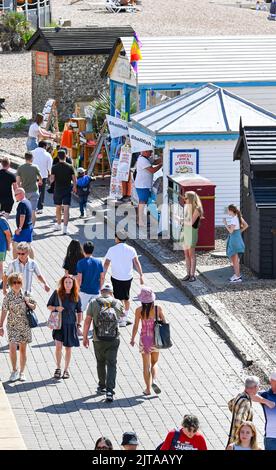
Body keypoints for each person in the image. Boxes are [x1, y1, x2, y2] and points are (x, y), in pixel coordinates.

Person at [83, 282, 124, 402]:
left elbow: (87, 321)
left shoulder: (93, 303)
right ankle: (110, 391)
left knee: (100, 362)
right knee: (111, 364)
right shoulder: (117, 302)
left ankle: (102, 386)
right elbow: (121, 316)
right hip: (114, 338)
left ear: (101, 292)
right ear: (111, 292)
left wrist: (85, 337)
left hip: (98, 338)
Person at [0, 273, 36, 382]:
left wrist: (27, 302)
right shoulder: (8, 297)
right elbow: (4, 311)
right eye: (14, 282)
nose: (16, 284)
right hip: (12, 326)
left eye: (19, 282)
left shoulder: (27, 294)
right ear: (11, 284)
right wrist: (0, 325)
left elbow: (34, 306)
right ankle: (14, 370)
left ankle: (22, 372)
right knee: (12, 348)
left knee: (23, 350)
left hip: (24, 326)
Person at [103, 231, 144, 327]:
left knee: (117, 298)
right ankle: (125, 317)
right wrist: (141, 275)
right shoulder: (131, 249)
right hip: (127, 278)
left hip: (116, 277)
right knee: (126, 297)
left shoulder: (112, 249)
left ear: (117, 238)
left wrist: (103, 276)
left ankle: (120, 318)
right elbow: (136, 263)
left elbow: (106, 264)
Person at [47, 275, 82, 380]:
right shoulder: (57, 293)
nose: (67, 284)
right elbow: (48, 306)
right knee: (58, 347)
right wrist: (56, 308)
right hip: (59, 325)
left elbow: (79, 311)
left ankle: (66, 370)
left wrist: (79, 325)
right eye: (66, 282)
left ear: (73, 284)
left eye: (70, 283)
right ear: (63, 283)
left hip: (71, 325)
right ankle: (58, 368)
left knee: (68, 348)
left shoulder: (76, 296)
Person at [130, 287, 164, 396]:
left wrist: (132, 338)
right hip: (156, 338)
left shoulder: (139, 310)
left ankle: (148, 389)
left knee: (146, 366)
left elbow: (135, 325)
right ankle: (154, 380)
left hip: (145, 339)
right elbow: (164, 321)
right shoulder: (158, 309)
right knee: (155, 362)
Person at [227, 375, 275, 446]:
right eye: (258, 386)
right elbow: (239, 423)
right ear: (255, 387)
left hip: (232, 439)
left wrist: (237, 412)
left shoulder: (240, 395)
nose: (259, 388)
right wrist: (250, 431)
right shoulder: (246, 403)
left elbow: (230, 404)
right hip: (239, 443)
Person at [51, 150, 77, 235]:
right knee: (66, 209)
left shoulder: (54, 167)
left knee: (58, 208)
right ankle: (65, 229)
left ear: (58, 157)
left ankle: (58, 224)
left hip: (57, 190)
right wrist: (74, 186)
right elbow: (74, 178)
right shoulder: (70, 166)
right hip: (67, 190)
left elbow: (52, 180)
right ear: (66, 156)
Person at [135, 151, 162, 227]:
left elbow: (155, 162)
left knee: (144, 202)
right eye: (150, 152)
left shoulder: (145, 158)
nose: (151, 153)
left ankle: (140, 219)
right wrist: (162, 164)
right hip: (142, 185)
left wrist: (163, 157)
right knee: (142, 202)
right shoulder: (143, 160)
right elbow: (152, 170)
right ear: (145, 152)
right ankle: (140, 220)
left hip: (144, 185)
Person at [181, 191, 203, 282]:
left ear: (190, 198)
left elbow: (191, 223)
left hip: (191, 232)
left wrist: (180, 220)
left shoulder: (197, 209)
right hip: (185, 231)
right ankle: (188, 273)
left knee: (191, 254)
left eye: (186, 198)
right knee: (186, 254)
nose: (184, 199)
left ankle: (192, 275)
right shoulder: (187, 207)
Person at [76, 242, 104, 312]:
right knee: (96, 311)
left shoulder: (80, 262)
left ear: (83, 250)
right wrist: (100, 288)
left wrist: (77, 289)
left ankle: (79, 322)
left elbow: (79, 279)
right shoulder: (99, 262)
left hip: (84, 291)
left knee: (80, 310)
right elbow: (102, 277)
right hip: (96, 291)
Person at [223, 204, 248, 283]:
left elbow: (231, 231)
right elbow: (246, 225)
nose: (227, 212)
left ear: (231, 211)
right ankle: (237, 275)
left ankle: (237, 276)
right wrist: (239, 232)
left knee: (235, 259)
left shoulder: (234, 219)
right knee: (235, 259)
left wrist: (225, 224)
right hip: (237, 238)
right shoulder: (238, 217)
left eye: (228, 210)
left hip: (234, 239)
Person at [16, 152, 42, 227]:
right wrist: (39, 182)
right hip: (34, 191)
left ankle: (23, 227)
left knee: (24, 211)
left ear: (25, 158)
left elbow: (18, 181)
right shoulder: (35, 167)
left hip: (24, 193)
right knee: (33, 211)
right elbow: (40, 179)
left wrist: (20, 188)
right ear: (32, 158)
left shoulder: (20, 167)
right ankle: (31, 229)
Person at [12, 188, 34, 259]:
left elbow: (22, 216)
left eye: (16, 195)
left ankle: (15, 263)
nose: (15, 196)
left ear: (21, 194)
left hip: (23, 229)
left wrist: (19, 228)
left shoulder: (22, 204)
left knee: (15, 244)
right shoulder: (27, 201)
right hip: (29, 227)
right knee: (28, 246)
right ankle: (32, 262)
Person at [32, 141, 53, 214]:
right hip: (43, 176)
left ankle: (32, 206)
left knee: (31, 190)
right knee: (41, 192)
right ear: (45, 146)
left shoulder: (31, 152)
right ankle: (40, 208)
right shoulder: (47, 155)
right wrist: (50, 175)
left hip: (32, 175)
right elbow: (49, 167)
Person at [258, 370, 276, 450]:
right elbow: (250, 394)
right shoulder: (265, 395)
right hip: (271, 437)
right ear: (271, 381)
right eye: (274, 381)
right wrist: (266, 401)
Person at [0, 213, 12, 286]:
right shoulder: (2, 220)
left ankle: (4, 282)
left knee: (0, 265)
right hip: (1, 247)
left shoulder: (2, 220)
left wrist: (8, 245)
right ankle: (5, 282)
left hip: (1, 247)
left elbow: (8, 234)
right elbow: (8, 234)